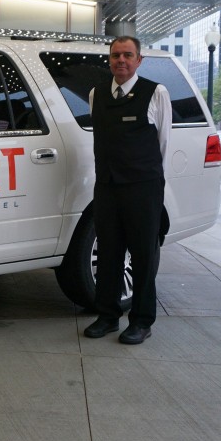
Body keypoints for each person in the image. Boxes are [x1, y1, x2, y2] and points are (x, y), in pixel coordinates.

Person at [83, 35, 171, 345]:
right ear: (109, 59)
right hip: (107, 187)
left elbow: (162, 144)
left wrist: (148, 181)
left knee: (143, 254)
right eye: (116, 55)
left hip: (142, 188)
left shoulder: (155, 93)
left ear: (138, 60)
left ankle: (142, 321)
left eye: (128, 55)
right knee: (108, 252)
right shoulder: (97, 94)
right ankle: (107, 316)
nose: (121, 60)